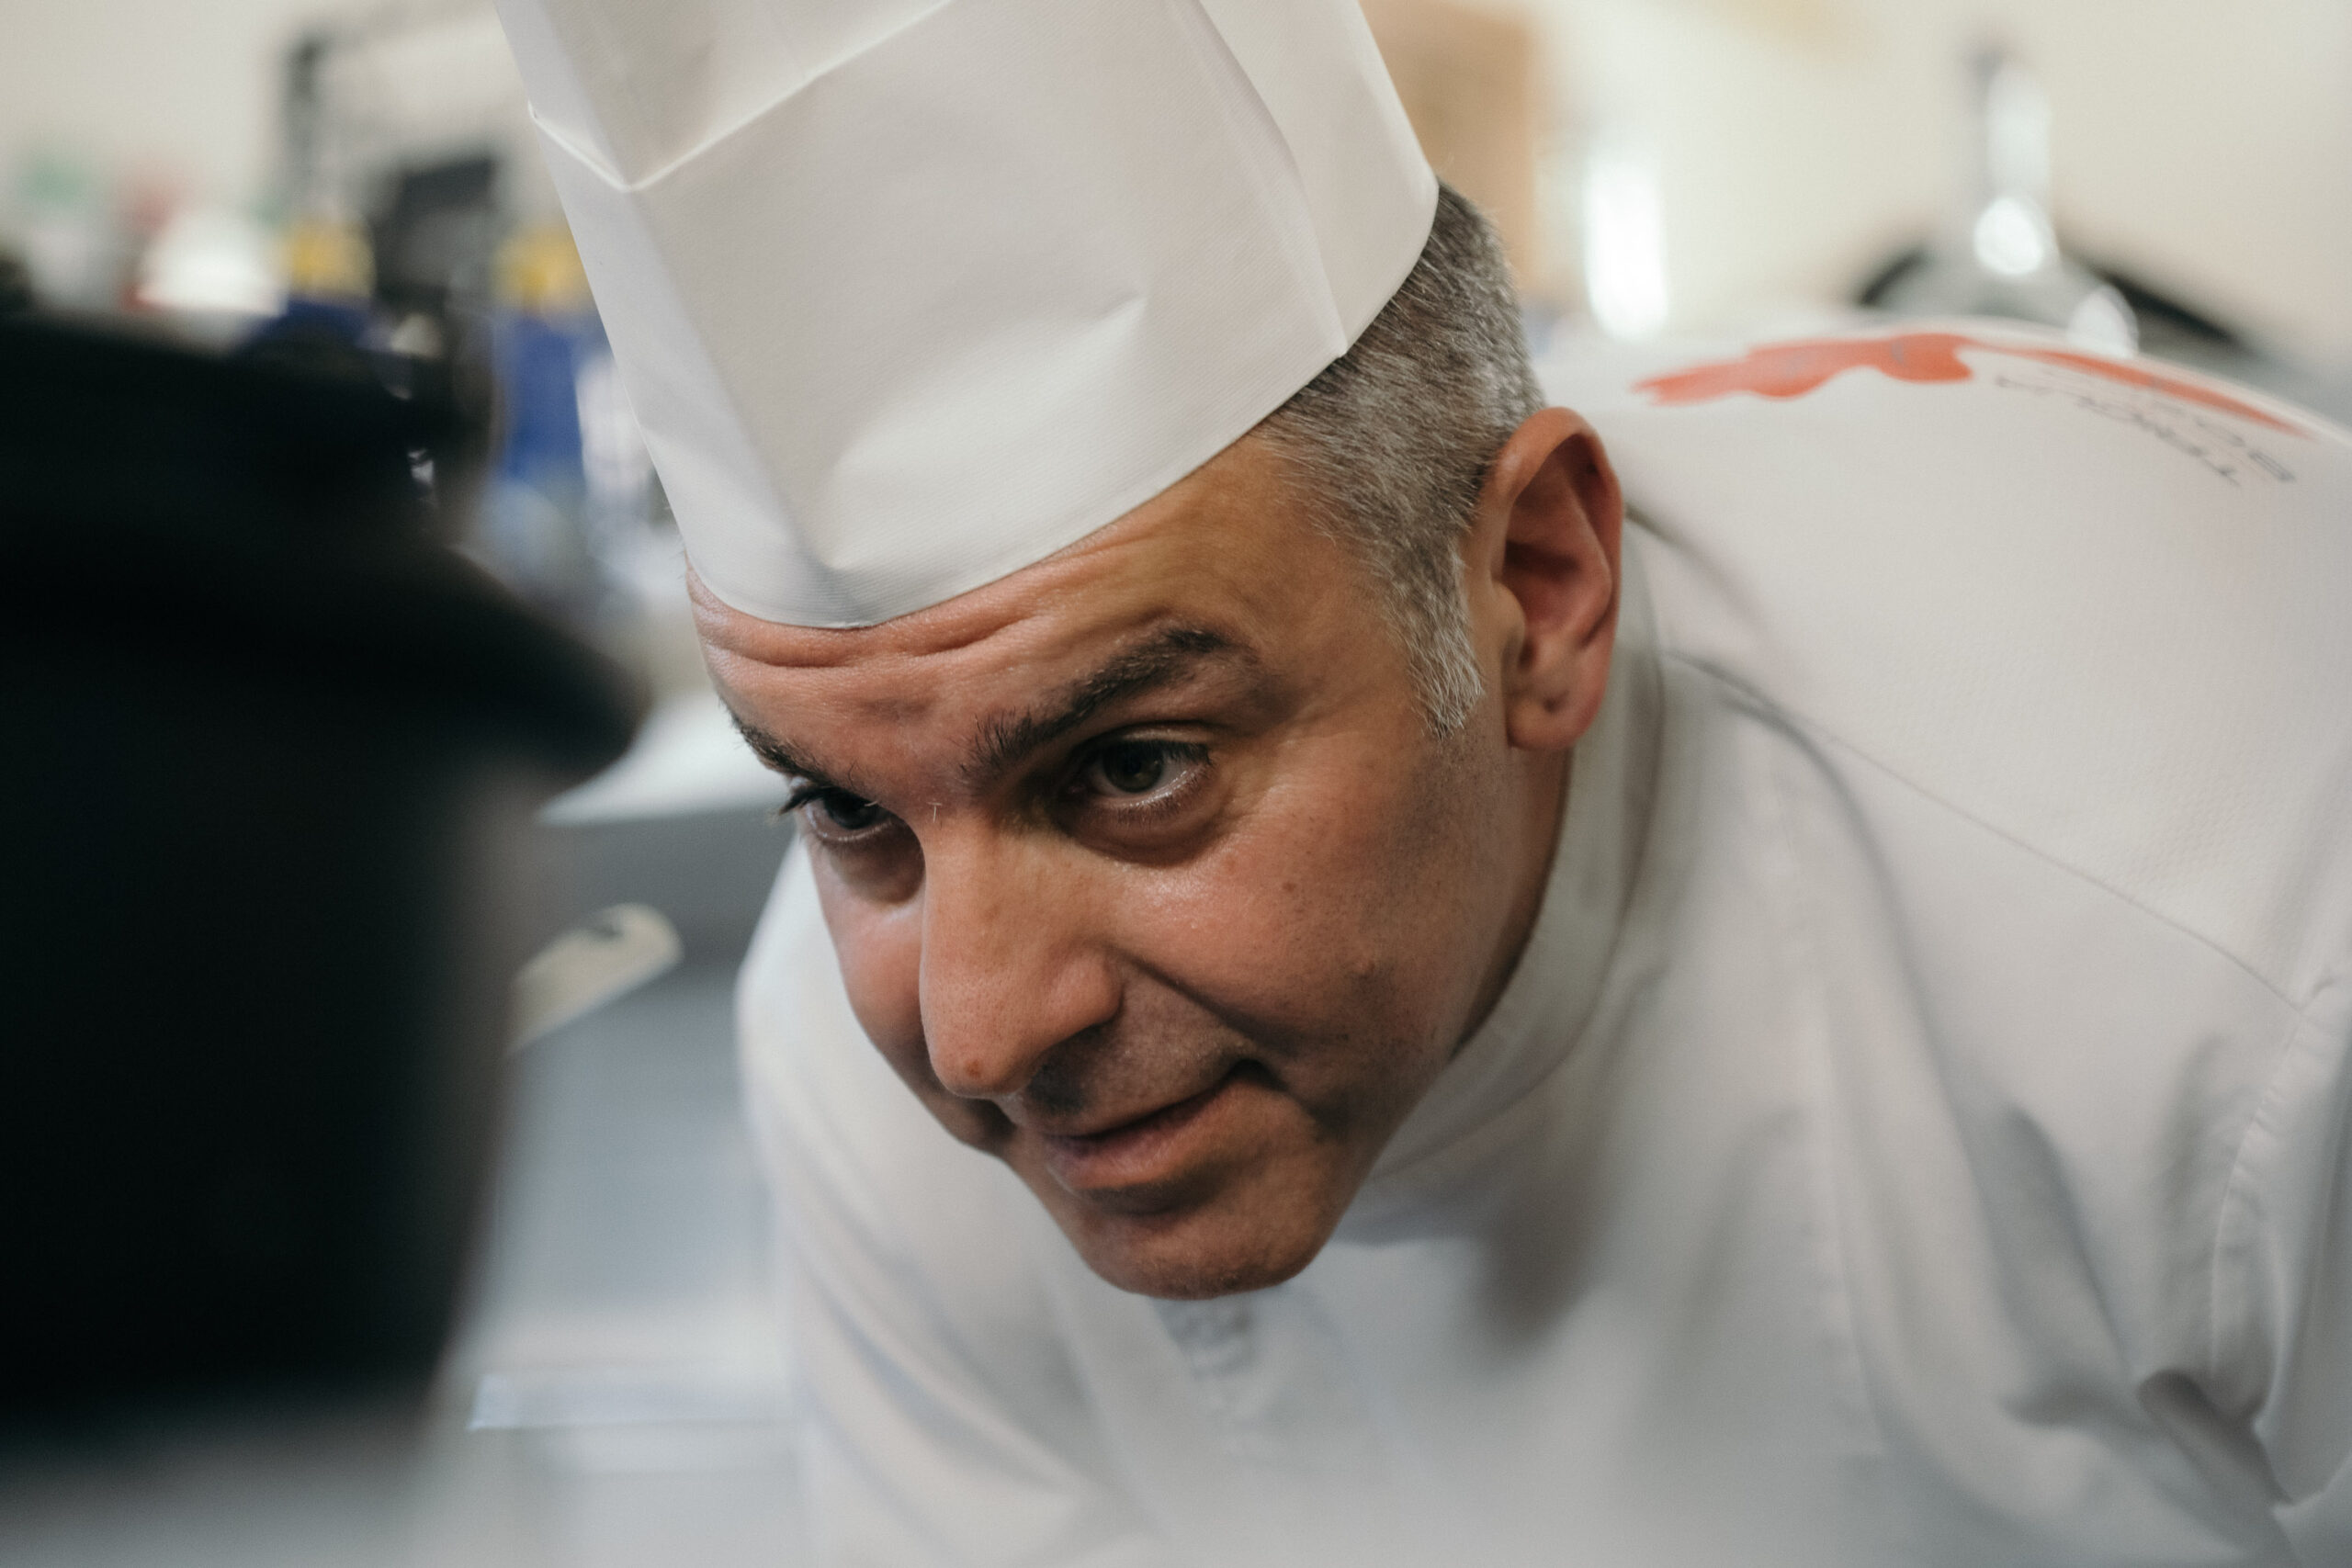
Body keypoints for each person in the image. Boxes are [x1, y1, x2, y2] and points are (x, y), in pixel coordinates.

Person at [494, 1, 2352, 1562]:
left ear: (1535, 591)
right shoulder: (851, 1057)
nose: (978, 1033)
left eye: (1133, 766)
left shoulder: (2248, 925)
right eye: (847, 810)